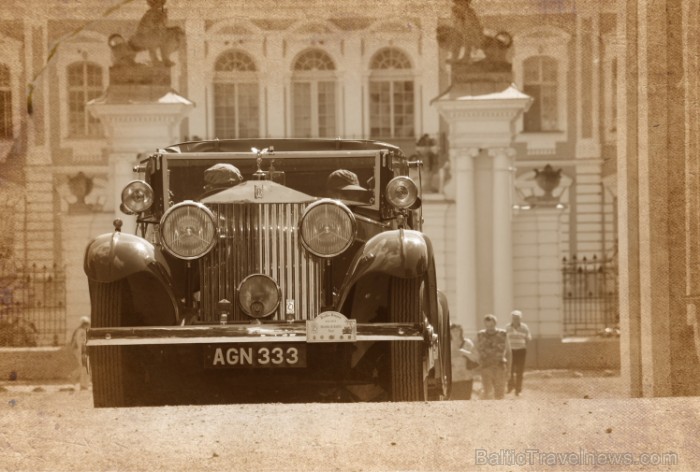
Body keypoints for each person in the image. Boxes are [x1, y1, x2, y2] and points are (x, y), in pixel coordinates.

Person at [475, 314, 511, 400]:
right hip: (485, 367)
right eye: (487, 326)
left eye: (491, 325)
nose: (489, 328)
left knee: (500, 394)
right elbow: (475, 350)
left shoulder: (503, 334)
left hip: (499, 367)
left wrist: (509, 369)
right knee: (487, 393)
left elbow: (509, 352)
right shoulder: (480, 335)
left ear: (495, 324)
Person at [506, 310, 532, 396]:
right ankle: (510, 387)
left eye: (517, 318)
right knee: (510, 370)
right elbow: (504, 340)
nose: (516, 320)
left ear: (520, 318)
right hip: (510, 351)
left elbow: (528, 339)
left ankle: (518, 390)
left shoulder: (524, 327)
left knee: (520, 371)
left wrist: (523, 345)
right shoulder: (507, 327)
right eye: (514, 318)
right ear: (512, 319)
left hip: (521, 351)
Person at [450, 324, 479, 400]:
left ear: (461, 331)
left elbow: (475, 358)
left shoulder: (467, 343)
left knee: (465, 400)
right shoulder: (447, 344)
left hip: (466, 377)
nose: (455, 333)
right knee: (454, 401)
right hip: (453, 378)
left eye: (457, 330)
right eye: (453, 331)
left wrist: (463, 352)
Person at [69, 317, 91, 390]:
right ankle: (83, 385)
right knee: (85, 367)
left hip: (80, 350)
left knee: (83, 367)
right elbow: (80, 343)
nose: (88, 325)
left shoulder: (80, 330)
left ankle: (74, 376)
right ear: (84, 324)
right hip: (80, 351)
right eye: (87, 324)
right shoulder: (81, 331)